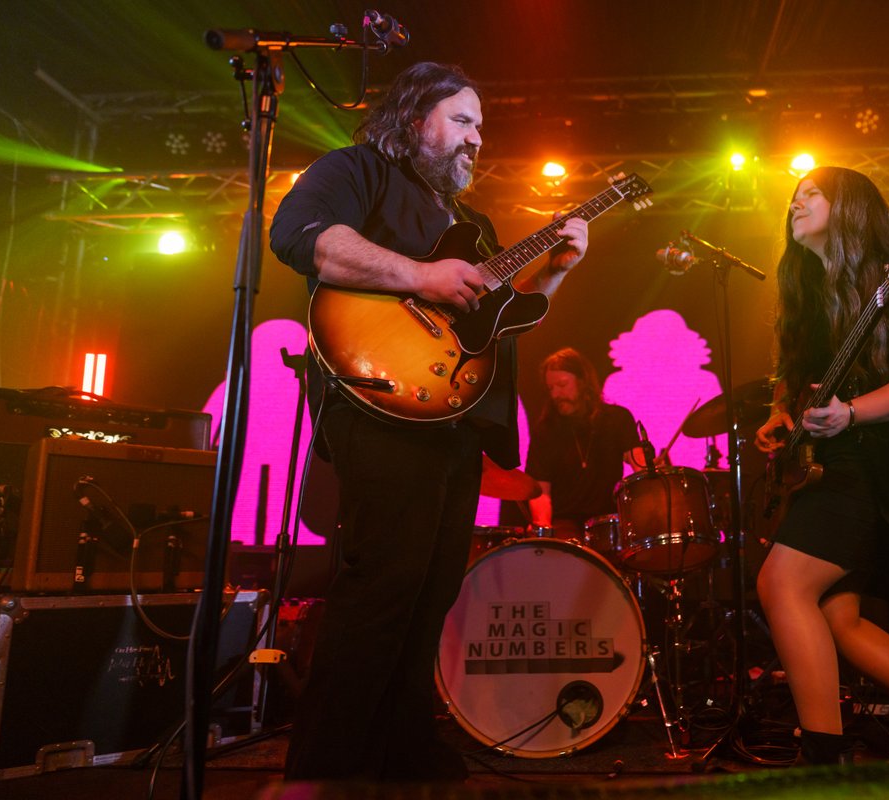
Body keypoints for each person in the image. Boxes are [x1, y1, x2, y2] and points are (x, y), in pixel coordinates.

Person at [269, 61, 589, 783]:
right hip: (378, 404)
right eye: (462, 120)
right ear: (415, 120)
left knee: (432, 590)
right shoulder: (356, 170)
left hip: (454, 421)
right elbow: (297, 235)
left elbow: (498, 323)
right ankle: (326, 766)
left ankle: (402, 748)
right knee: (384, 582)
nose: (477, 138)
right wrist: (419, 275)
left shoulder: (475, 227)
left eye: (482, 126)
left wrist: (556, 269)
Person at [753, 166, 889, 765]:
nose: (795, 205)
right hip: (829, 462)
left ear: (850, 207)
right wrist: (780, 412)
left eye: (811, 195)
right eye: (792, 198)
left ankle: (824, 755)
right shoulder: (806, 289)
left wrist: (851, 413)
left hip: (880, 470)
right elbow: (795, 372)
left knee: (780, 584)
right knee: (839, 617)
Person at [525, 348, 641, 541]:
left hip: (610, 520)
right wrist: (543, 526)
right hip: (565, 522)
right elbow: (541, 492)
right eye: (551, 388)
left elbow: (639, 464)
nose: (556, 394)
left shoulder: (617, 418)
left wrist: (649, 473)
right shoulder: (546, 430)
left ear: (583, 381)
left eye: (562, 385)